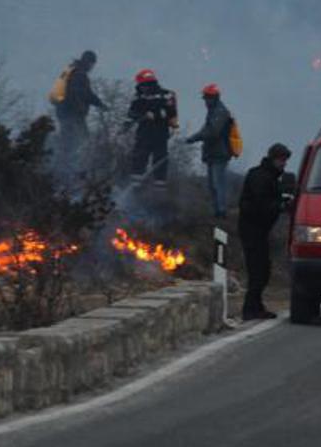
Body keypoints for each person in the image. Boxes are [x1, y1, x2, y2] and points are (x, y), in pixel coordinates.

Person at [238, 143, 293, 320]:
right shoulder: (260, 177)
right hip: (252, 229)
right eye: (282, 160)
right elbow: (260, 203)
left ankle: (256, 306)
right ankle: (250, 309)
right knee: (258, 271)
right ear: (274, 159)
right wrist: (280, 205)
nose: (284, 164)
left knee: (262, 270)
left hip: (260, 230)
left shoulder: (270, 177)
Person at [185, 84, 233, 217]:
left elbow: (213, 132)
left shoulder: (220, 112)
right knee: (212, 185)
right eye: (205, 98)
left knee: (218, 184)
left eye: (207, 98)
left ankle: (221, 211)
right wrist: (194, 137)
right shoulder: (213, 111)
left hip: (220, 153)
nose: (205, 101)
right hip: (212, 153)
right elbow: (206, 129)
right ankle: (216, 211)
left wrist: (194, 138)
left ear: (214, 98)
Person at [125, 68, 178, 187]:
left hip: (160, 132)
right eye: (141, 85)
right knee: (139, 157)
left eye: (144, 85)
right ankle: (135, 185)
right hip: (143, 133)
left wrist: (156, 115)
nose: (142, 88)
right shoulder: (138, 97)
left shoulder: (167, 95)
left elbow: (171, 114)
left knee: (160, 159)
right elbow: (131, 113)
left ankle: (159, 187)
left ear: (150, 83)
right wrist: (126, 126)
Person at [55, 49, 106, 165]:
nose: (92, 67)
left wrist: (99, 103)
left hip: (64, 112)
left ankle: (64, 165)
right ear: (88, 62)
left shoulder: (71, 71)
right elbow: (84, 94)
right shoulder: (79, 74)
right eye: (92, 64)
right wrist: (98, 104)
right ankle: (70, 167)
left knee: (68, 140)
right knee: (80, 140)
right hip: (73, 114)